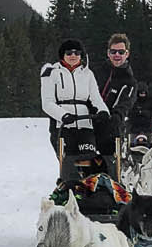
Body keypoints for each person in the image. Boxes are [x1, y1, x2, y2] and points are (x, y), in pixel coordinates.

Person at [40, 37, 114, 166]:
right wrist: (63, 116)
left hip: (85, 124)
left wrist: (103, 111)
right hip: (63, 127)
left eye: (77, 53)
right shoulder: (52, 73)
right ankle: (70, 183)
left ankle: (89, 184)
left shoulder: (87, 74)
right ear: (63, 55)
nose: (73, 56)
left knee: (88, 161)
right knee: (70, 163)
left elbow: (96, 98)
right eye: (69, 53)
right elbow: (47, 103)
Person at [101, 32, 139, 137]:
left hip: (112, 128)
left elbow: (126, 103)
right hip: (89, 124)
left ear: (127, 54)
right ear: (108, 53)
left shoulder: (130, 82)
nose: (117, 55)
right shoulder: (97, 72)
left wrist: (117, 115)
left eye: (121, 52)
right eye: (113, 52)